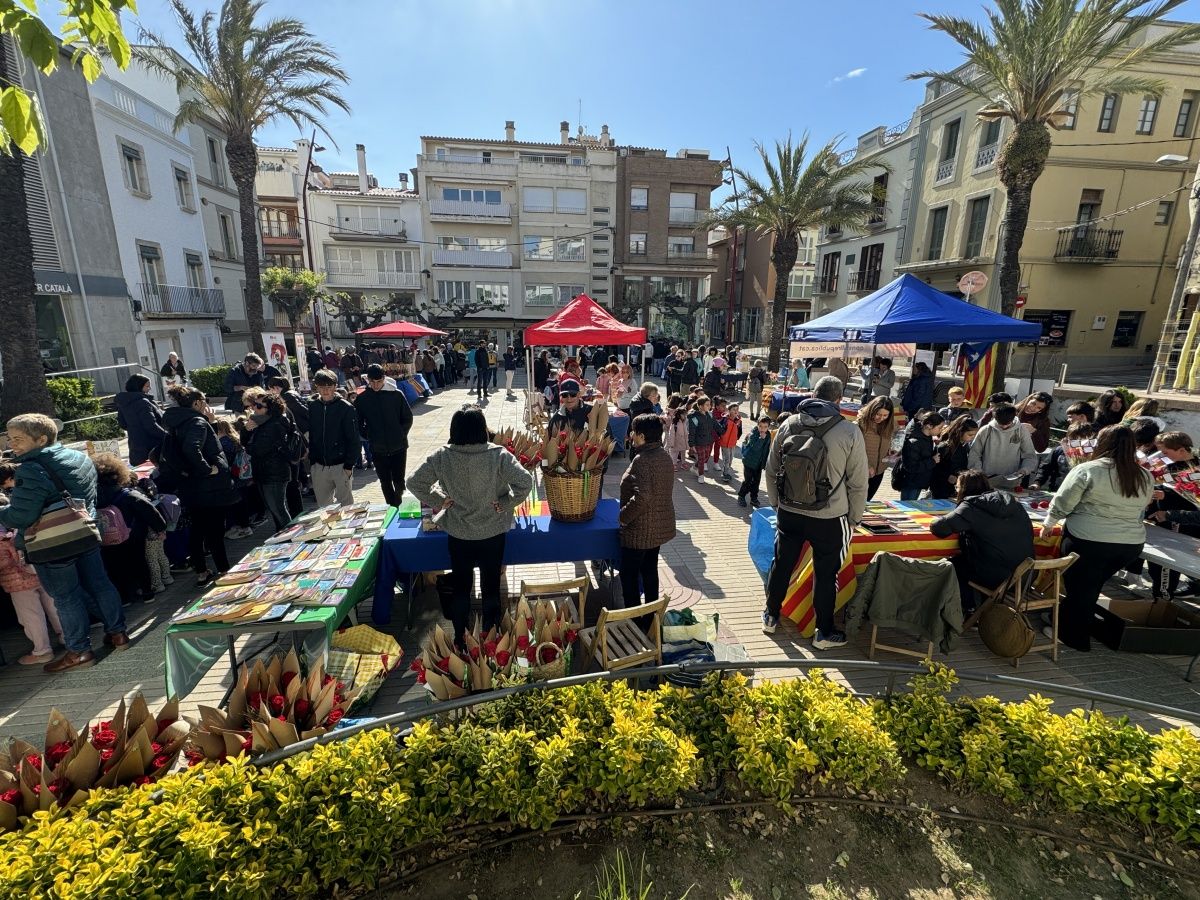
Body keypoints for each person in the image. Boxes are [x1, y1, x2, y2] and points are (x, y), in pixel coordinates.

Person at [0, 414, 130, 671]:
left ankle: (79, 651)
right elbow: (89, 497)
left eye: (18, 439)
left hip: (52, 543)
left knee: (66, 598)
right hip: (83, 532)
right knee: (100, 585)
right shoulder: (79, 457)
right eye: (10, 438)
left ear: (41, 439)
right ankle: (118, 633)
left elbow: (23, 515)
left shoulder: (30, 468)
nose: (12, 444)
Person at [408, 407, 533, 643]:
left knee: (461, 587)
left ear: (454, 430)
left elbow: (414, 482)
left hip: (459, 532)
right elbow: (525, 482)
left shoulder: (442, 456)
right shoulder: (499, 455)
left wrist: (439, 500)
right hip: (493, 532)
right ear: (482, 429)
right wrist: (507, 502)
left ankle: (459, 637)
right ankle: (492, 636)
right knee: (491, 586)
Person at [762, 377, 868, 648]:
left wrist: (777, 504)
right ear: (838, 399)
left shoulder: (789, 424)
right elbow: (858, 482)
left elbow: (772, 470)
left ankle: (771, 616)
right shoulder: (849, 431)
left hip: (789, 512)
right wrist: (854, 518)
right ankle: (823, 632)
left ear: (813, 394)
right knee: (826, 572)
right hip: (830, 516)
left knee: (782, 563)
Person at [1041, 425, 1153, 651]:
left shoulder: (1088, 469)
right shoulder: (1144, 475)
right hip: (1130, 544)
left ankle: (1072, 637)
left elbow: (1064, 502)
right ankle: (1067, 620)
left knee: (1081, 589)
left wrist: (1049, 523)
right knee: (1089, 587)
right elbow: (1144, 505)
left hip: (1089, 539)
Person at [160, 386, 239, 586]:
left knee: (198, 529)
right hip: (208, 485)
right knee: (214, 531)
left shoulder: (176, 422)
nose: (207, 404)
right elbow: (192, 448)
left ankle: (202, 572)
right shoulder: (196, 421)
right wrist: (207, 469)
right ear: (196, 403)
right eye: (204, 400)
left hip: (190, 484)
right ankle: (223, 570)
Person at [930, 469, 1034, 615]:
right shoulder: (1014, 503)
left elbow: (939, 529)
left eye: (957, 487)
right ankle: (983, 606)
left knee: (952, 565)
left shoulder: (971, 506)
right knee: (978, 558)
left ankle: (969, 608)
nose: (956, 490)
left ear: (965, 489)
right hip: (1025, 575)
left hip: (997, 576)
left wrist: (938, 519)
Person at [0, 462, 64, 665]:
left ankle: (42, 650)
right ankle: (68, 638)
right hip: (37, 562)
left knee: (30, 614)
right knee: (54, 604)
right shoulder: (21, 511)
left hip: (15, 577)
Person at [618, 414, 676, 618]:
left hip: (639, 530)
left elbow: (643, 496)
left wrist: (623, 517)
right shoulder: (664, 455)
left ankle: (634, 620)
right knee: (650, 572)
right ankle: (651, 616)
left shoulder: (642, 460)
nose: (631, 435)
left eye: (633, 432)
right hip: (658, 527)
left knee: (629, 576)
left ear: (641, 436)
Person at [93, 452, 166, 603]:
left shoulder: (94, 498)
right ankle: (147, 592)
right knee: (139, 561)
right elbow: (149, 510)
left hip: (108, 538)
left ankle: (125, 597)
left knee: (115, 567)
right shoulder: (127, 494)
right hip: (133, 535)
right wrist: (160, 528)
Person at [355, 363, 414, 506]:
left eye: (379, 381)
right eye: (372, 382)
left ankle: (402, 507)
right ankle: (392, 508)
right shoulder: (362, 398)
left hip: (399, 446)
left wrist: (400, 434)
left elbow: (407, 418)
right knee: (385, 482)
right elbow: (357, 422)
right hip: (377, 448)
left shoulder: (396, 394)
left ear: (384, 379)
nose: (376, 385)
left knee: (399, 481)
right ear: (367, 380)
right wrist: (369, 436)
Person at [307, 369, 361, 506]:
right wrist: (313, 462)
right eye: (321, 386)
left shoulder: (346, 408)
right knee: (324, 508)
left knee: (346, 506)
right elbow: (311, 435)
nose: (325, 390)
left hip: (341, 465)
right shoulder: (312, 406)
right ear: (316, 387)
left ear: (335, 386)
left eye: (329, 386)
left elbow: (354, 439)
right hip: (319, 466)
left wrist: (349, 465)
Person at [243, 393, 295, 531]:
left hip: (274, 473)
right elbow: (247, 443)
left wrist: (248, 434)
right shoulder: (261, 421)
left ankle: (291, 539)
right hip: (265, 472)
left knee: (278, 509)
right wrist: (247, 431)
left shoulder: (274, 424)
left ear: (270, 409)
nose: (255, 408)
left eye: (259, 406)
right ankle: (284, 536)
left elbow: (257, 450)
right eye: (254, 404)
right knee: (275, 509)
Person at [968, 403, 1038, 489]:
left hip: (1012, 481)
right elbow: (974, 453)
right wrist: (979, 473)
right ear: (995, 418)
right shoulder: (986, 430)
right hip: (987, 480)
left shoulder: (1021, 431)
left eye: (1007, 424)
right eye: (1001, 424)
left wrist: (1024, 470)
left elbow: (1030, 455)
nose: (1004, 426)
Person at [115, 374, 167, 466]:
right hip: (152, 447)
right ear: (138, 386)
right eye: (147, 386)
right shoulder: (143, 402)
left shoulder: (124, 402)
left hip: (135, 446)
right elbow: (151, 426)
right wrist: (168, 436)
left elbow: (122, 424)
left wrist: (135, 428)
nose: (149, 388)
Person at [1032, 422, 1096, 492]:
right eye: (1073, 440)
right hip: (1058, 489)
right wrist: (1037, 483)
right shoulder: (1059, 450)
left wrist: (1067, 452)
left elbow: (1077, 469)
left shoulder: (1093, 453)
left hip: (1081, 491)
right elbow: (1045, 468)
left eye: (1081, 440)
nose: (1077, 444)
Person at [896, 412, 944, 501]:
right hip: (911, 482)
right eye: (939, 428)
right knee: (908, 505)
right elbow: (911, 466)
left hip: (918, 481)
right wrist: (933, 461)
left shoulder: (927, 437)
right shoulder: (914, 441)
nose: (940, 430)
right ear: (929, 426)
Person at [856, 396, 897, 501]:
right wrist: (867, 465)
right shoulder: (860, 424)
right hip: (861, 471)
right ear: (872, 410)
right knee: (857, 502)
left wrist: (892, 451)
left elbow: (891, 441)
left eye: (885, 415)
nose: (881, 418)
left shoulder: (890, 424)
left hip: (879, 470)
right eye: (878, 414)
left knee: (868, 501)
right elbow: (854, 450)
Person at [931, 416, 979, 500]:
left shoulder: (964, 446)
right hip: (941, 488)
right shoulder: (945, 447)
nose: (973, 437)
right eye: (970, 435)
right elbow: (934, 467)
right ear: (960, 432)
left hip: (956, 486)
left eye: (975, 435)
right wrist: (947, 476)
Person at [737, 415, 773, 508]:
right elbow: (755, 448)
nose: (762, 429)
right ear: (757, 425)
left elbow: (766, 450)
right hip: (749, 462)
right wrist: (761, 439)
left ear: (769, 427)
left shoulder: (768, 435)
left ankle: (754, 498)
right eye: (760, 426)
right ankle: (741, 496)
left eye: (765, 427)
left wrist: (764, 463)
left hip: (758, 464)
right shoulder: (753, 434)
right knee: (748, 481)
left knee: (756, 481)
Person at [687, 396, 718, 485]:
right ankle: (701, 475)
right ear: (700, 406)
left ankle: (694, 467)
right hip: (699, 442)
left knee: (706, 457)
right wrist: (691, 444)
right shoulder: (694, 417)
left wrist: (722, 431)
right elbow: (692, 432)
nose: (709, 406)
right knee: (701, 459)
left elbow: (715, 425)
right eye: (707, 405)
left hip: (708, 441)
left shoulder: (710, 415)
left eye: (710, 404)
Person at [715, 401, 742, 481]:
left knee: (730, 459)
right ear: (729, 410)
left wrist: (736, 438)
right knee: (726, 459)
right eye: (733, 409)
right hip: (724, 443)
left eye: (737, 409)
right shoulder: (725, 420)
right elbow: (719, 429)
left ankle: (726, 471)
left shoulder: (738, 421)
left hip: (733, 443)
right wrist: (721, 437)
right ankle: (725, 474)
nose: (736, 411)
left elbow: (739, 431)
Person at [664, 395, 689, 470]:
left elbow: (686, 432)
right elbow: (671, 434)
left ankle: (682, 463)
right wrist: (671, 443)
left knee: (682, 452)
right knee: (673, 451)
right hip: (674, 438)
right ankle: (672, 463)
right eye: (683, 415)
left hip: (682, 440)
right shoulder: (674, 422)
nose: (685, 416)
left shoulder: (683, 421)